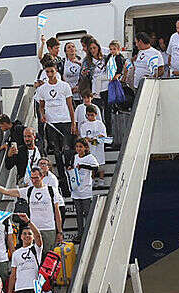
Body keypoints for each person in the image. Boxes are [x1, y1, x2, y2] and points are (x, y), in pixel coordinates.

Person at [0, 160, 63, 255]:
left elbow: (57, 212)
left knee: (48, 256)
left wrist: (59, 231)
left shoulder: (51, 191)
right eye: (32, 178)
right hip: (33, 228)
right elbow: (6, 191)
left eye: (36, 178)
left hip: (49, 229)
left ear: (42, 177)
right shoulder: (28, 191)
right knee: (33, 256)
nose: (34, 181)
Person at [35, 63, 76, 195]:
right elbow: (41, 106)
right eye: (47, 72)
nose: (50, 74)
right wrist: (42, 115)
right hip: (52, 124)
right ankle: (63, 185)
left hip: (65, 121)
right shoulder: (42, 89)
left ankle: (71, 178)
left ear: (56, 71)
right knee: (57, 153)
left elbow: (70, 105)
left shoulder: (64, 86)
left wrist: (73, 123)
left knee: (67, 151)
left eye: (52, 71)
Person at [7, 214, 43, 293]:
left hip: (33, 289)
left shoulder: (36, 248)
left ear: (33, 237)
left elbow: (38, 236)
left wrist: (28, 221)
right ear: (21, 236)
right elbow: (13, 275)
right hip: (19, 290)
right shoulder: (16, 253)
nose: (27, 236)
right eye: (24, 234)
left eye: (30, 234)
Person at [70, 138, 99, 240]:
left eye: (81, 147)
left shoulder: (90, 157)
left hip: (85, 188)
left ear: (86, 148)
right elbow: (72, 166)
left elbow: (96, 167)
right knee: (78, 213)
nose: (78, 149)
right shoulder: (75, 157)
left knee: (87, 212)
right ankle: (80, 234)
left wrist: (83, 166)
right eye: (77, 147)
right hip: (76, 188)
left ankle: (88, 233)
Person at [79, 105, 108, 186]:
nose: (90, 117)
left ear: (96, 114)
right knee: (91, 164)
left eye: (92, 115)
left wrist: (97, 138)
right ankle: (92, 179)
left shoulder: (100, 124)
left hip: (99, 147)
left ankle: (101, 179)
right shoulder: (84, 125)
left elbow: (103, 135)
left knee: (100, 163)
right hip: (90, 148)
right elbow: (83, 137)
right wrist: (90, 139)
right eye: (88, 115)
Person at [103, 40, 126, 131]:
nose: (112, 51)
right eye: (111, 49)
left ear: (118, 49)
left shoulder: (119, 58)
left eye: (114, 49)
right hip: (109, 79)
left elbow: (120, 69)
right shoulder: (109, 56)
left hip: (115, 80)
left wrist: (115, 77)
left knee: (116, 96)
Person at [83, 39, 109, 116]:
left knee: (108, 112)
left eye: (94, 48)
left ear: (98, 48)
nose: (93, 50)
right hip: (95, 89)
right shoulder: (87, 60)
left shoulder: (105, 58)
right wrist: (85, 73)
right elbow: (83, 72)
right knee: (97, 111)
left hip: (106, 88)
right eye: (90, 49)